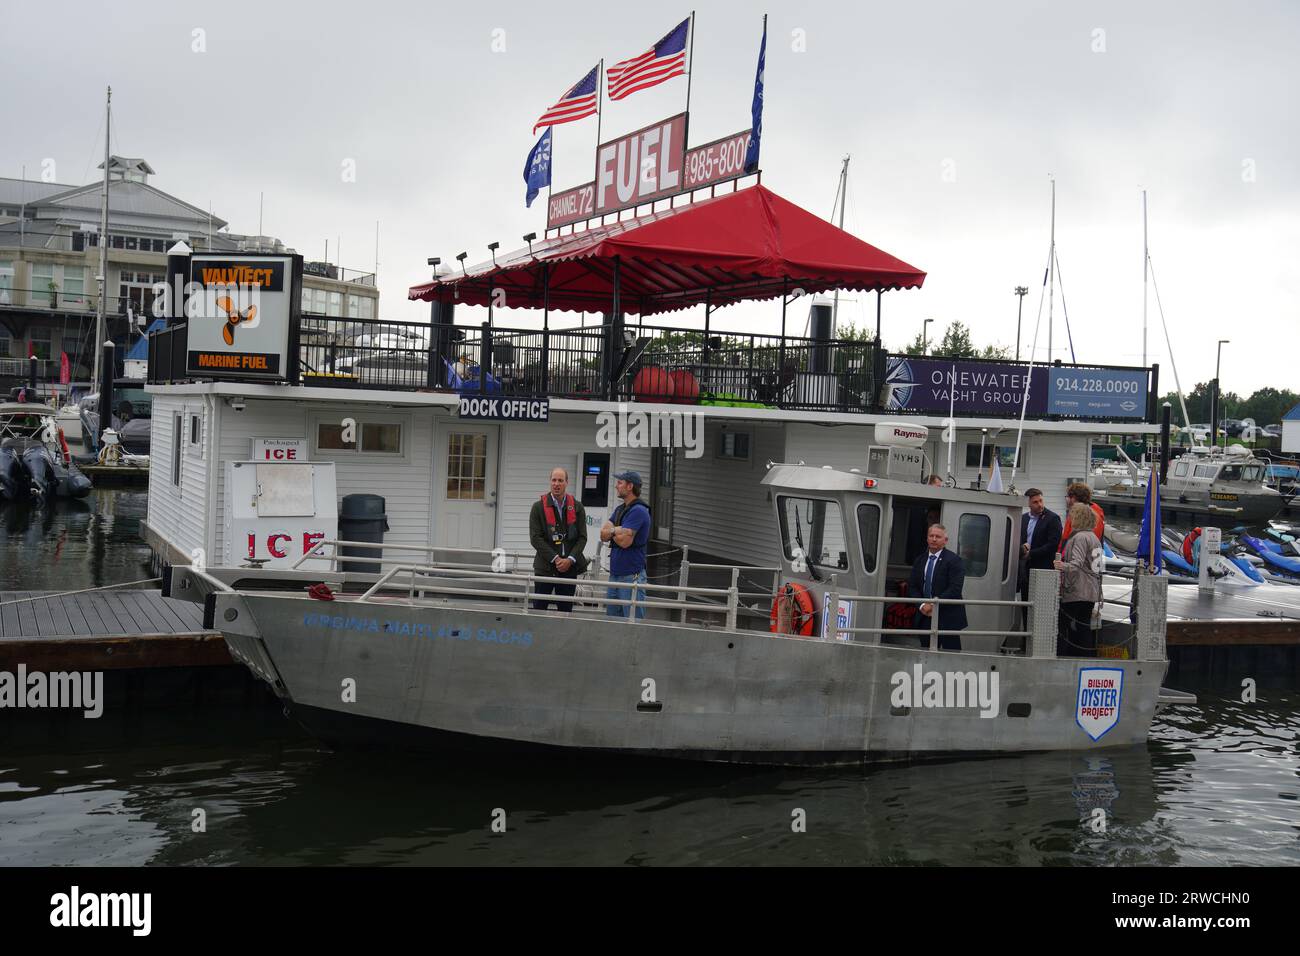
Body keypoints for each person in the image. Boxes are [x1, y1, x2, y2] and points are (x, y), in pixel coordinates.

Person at [528, 467, 588, 611]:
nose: (556, 484)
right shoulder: (538, 508)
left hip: (569, 570)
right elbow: (535, 538)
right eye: (554, 480)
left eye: (560, 480)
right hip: (545, 568)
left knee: (566, 612)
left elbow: (582, 537)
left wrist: (570, 559)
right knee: (539, 610)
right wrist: (556, 558)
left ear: (567, 483)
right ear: (550, 482)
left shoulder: (578, 507)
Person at [907, 523, 967, 650]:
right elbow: (912, 586)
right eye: (931, 536)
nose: (934, 539)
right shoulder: (920, 560)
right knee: (926, 654)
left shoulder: (954, 560)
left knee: (951, 657)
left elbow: (955, 589)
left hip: (948, 617)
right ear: (927, 538)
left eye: (938, 536)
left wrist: (933, 605)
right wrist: (922, 605)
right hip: (925, 616)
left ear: (945, 541)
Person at [1054, 502, 1103, 657]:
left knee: (1062, 622)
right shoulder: (1095, 537)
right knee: (1084, 625)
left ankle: (1062, 653)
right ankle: (1085, 656)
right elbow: (1097, 568)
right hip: (1091, 590)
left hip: (1077, 589)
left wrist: (1060, 565)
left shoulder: (1080, 537)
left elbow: (1076, 564)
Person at [601, 470, 651, 619]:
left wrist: (612, 532)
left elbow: (625, 542)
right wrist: (617, 530)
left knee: (632, 623)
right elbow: (603, 534)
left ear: (630, 486)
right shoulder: (619, 509)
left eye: (620, 483)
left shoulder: (639, 511)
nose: (616, 486)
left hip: (631, 576)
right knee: (612, 622)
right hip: (615, 575)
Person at [1018, 487, 1062, 623]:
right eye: (1035, 502)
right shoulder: (1023, 519)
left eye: (1041, 501)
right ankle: (1025, 639)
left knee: (1041, 609)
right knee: (1025, 606)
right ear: (1028, 504)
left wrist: (1031, 554)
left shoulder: (1052, 519)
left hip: (1043, 569)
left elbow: (1052, 545)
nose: (1040, 505)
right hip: (1025, 570)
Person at [1058, 482, 1105, 553]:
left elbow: (1067, 540)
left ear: (1074, 498)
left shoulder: (1079, 515)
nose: (1067, 499)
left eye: (1068, 496)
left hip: (1078, 558)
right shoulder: (1097, 511)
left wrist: (1061, 557)